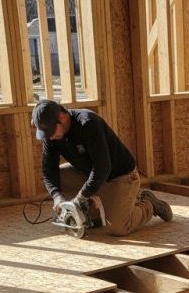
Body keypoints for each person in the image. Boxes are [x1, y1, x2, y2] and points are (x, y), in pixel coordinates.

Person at [32, 100, 173, 236]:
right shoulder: (50, 135)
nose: (49, 138)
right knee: (59, 177)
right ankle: (90, 217)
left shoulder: (88, 123)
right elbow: (48, 169)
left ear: (61, 118)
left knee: (119, 228)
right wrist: (57, 197)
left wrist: (80, 197)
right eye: (46, 134)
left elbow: (102, 168)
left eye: (51, 132)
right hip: (90, 174)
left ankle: (149, 203)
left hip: (118, 177)